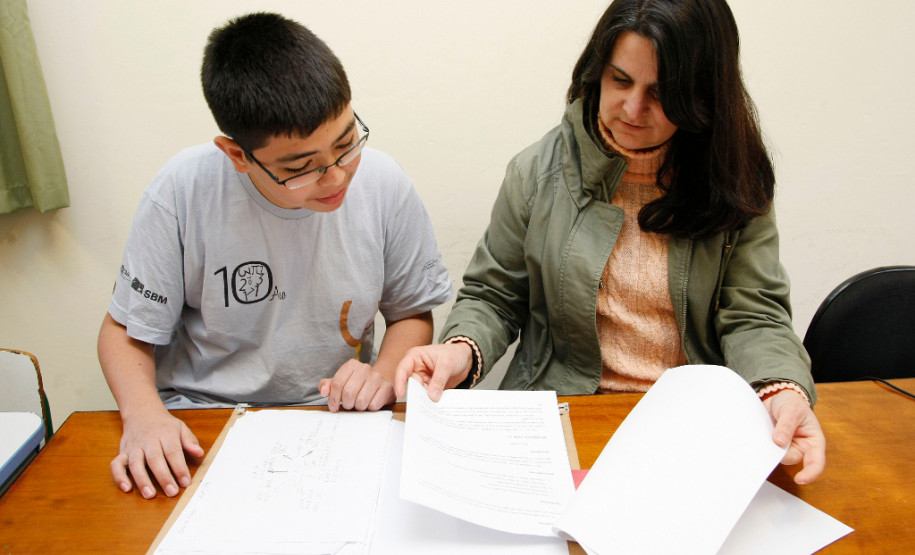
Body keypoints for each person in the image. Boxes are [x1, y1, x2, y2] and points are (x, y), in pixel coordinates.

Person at [395, 0, 825, 485]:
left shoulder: (734, 183)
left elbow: (754, 315)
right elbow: (494, 296)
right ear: (597, 70)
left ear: (701, 95)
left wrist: (780, 388)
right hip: (563, 414)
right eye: (620, 80)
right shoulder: (537, 172)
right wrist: (459, 350)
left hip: (689, 428)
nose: (633, 108)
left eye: (661, 94)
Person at [98, 12, 452, 499]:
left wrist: (382, 374)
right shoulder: (182, 192)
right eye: (302, 167)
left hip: (338, 416)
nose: (336, 176)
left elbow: (410, 312)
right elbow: (124, 331)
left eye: (347, 143)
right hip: (204, 418)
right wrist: (143, 416)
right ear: (237, 155)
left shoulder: (385, 185)